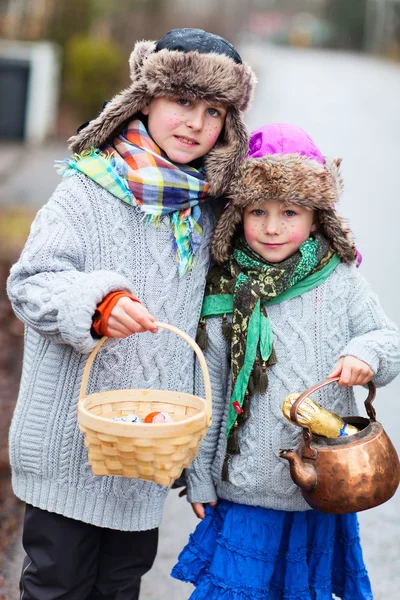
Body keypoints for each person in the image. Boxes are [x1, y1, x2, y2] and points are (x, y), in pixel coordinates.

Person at [6, 28, 256, 600]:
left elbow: (210, 332)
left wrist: (197, 459)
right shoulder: (88, 189)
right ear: (145, 101)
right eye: (182, 102)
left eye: (213, 110)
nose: (195, 122)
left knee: (120, 587)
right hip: (70, 451)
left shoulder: (210, 213)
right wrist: (96, 303)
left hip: (145, 459)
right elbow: (31, 283)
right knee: (57, 585)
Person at [171, 123, 400, 599]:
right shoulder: (225, 291)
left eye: (290, 212)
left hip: (323, 490)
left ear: (317, 217)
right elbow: (208, 393)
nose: (273, 228)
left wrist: (365, 353)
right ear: (239, 215)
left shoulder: (341, 280)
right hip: (245, 491)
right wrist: (199, 478)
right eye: (259, 211)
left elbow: (388, 340)